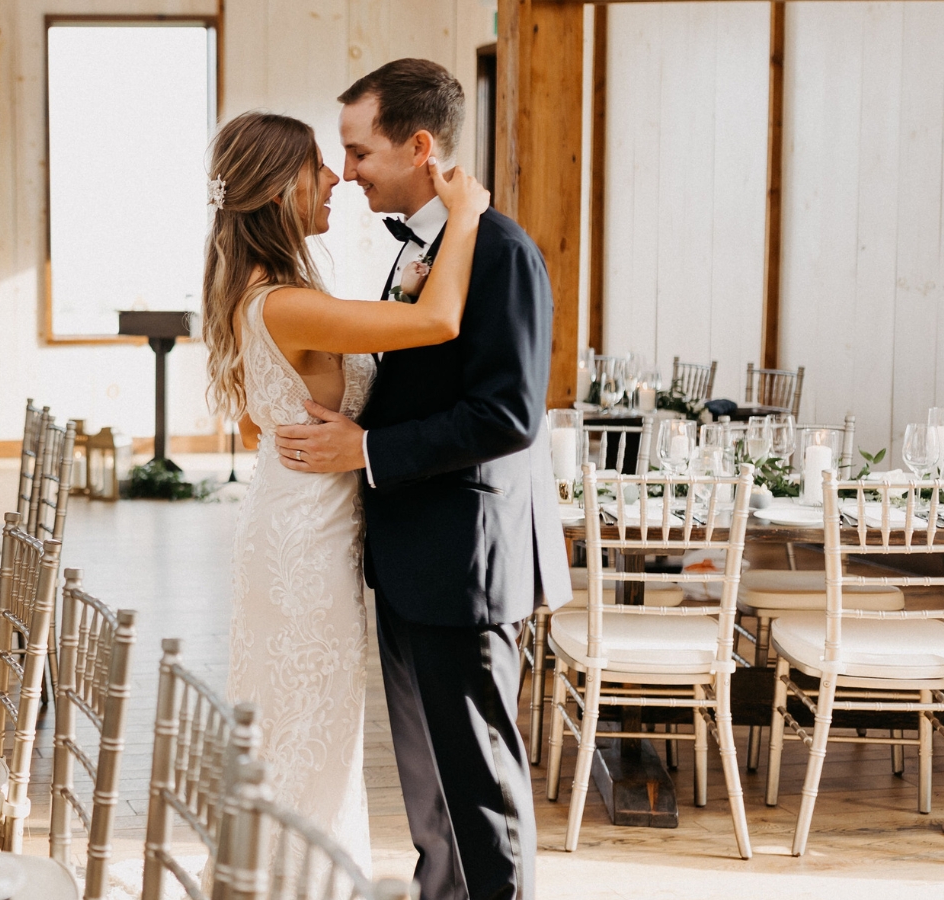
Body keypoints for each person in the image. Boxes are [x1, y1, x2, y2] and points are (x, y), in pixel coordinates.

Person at [273, 58, 572, 900]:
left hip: (465, 564)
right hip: (416, 560)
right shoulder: (428, 250)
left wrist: (364, 452)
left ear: (419, 145)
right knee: (431, 786)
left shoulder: (498, 251)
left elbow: (508, 414)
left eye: (359, 151)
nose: (350, 172)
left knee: (477, 788)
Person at [203, 108, 489, 873]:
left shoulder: (260, 290)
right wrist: (465, 214)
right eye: (318, 169)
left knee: (296, 724)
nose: (336, 179)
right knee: (309, 727)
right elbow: (438, 320)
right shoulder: (288, 301)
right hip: (305, 546)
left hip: (290, 522)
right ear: (275, 188)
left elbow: (257, 426)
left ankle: (274, 877)